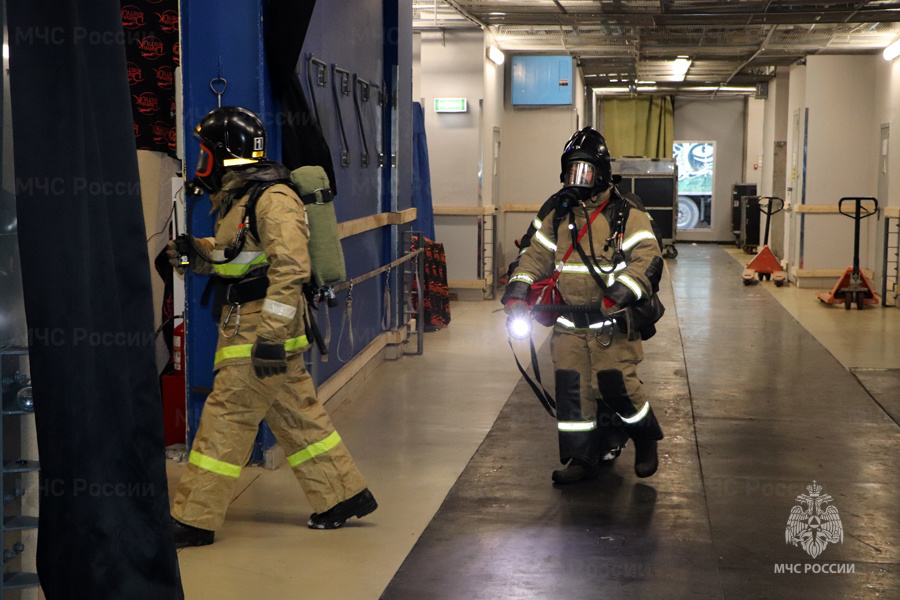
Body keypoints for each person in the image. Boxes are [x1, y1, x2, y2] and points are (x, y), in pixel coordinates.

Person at [166, 106, 377, 547]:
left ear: (226, 154)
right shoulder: (242, 196)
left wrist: (270, 339)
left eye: (206, 152)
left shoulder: (272, 198)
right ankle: (344, 495)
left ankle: (194, 518)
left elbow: (291, 267)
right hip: (252, 325)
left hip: (259, 331)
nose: (201, 161)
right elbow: (237, 256)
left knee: (226, 419)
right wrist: (195, 252)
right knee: (297, 415)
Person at [502, 127, 665, 483]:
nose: (578, 179)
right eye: (572, 170)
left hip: (611, 323)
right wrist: (518, 289)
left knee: (617, 386)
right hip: (568, 324)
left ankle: (645, 437)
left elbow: (649, 258)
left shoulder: (626, 213)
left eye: (585, 170)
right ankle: (581, 457)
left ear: (602, 173)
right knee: (572, 391)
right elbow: (534, 256)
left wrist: (621, 291)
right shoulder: (559, 214)